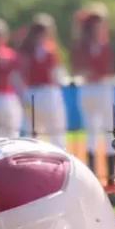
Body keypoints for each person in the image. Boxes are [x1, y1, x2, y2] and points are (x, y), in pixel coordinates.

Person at [71, 2, 115, 190]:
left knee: (103, 131)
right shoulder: (91, 44)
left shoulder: (87, 43)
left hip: (96, 88)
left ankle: (109, 177)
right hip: (95, 88)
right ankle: (101, 176)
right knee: (100, 130)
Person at [15, 13, 68, 148]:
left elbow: (16, 76)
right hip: (48, 93)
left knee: (31, 136)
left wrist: (22, 95)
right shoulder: (49, 48)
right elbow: (57, 75)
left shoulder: (24, 49)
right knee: (56, 134)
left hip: (29, 93)